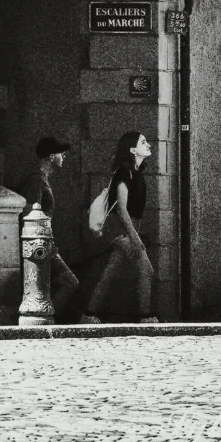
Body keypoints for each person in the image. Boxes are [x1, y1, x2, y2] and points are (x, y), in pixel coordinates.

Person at [81, 130, 158, 324]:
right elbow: (122, 210)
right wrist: (135, 238)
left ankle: (89, 314)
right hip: (120, 231)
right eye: (143, 142)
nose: (148, 145)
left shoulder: (137, 174)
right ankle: (145, 316)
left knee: (110, 272)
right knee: (146, 269)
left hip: (127, 232)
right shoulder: (125, 173)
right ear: (133, 150)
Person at [13, 135, 80, 310]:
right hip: (39, 244)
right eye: (61, 153)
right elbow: (31, 212)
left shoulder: (40, 178)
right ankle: (46, 317)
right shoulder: (36, 179)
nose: (63, 156)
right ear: (51, 156)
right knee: (70, 282)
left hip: (44, 243)